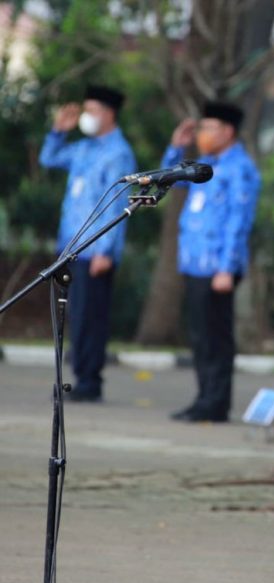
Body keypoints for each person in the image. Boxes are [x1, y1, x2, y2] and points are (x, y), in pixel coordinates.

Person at [39, 85, 137, 402]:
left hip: (95, 251)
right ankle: (79, 376)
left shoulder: (118, 153)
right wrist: (58, 131)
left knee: (91, 316)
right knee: (74, 316)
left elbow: (117, 205)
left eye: (92, 110)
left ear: (109, 114)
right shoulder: (83, 148)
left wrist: (105, 251)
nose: (86, 116)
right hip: (70, 247)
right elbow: (49, 158)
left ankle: (89, 381)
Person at [166, 101, 261, 423]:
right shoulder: (205, 164)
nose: (202, 134)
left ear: (228, 131)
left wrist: (226, 268)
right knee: (200, 336)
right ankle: (204, 397)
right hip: (195, 263)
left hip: (218, 267)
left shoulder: (240, 168)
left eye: (209, 128)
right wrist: (177, 148)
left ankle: (215, 403)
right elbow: (171, 179)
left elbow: (239, 220)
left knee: (215, 338)